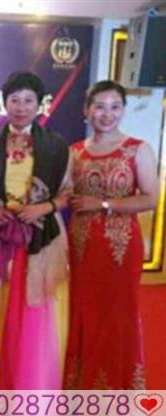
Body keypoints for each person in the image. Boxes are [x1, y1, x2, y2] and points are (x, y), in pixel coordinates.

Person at [0, 71, 71, 389]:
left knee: (35, 310)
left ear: (39, 105)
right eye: (14, 100)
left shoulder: (56, 146)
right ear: (5, 103)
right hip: (1, 236)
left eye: (28, 100)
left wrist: (43, 208)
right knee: (1, 307)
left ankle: (34, 381)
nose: (21, 107)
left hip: (41, 237)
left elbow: (67, 193)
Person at [64, 80, 158, 389]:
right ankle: (82, 386)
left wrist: (103, 204)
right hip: (81, 245)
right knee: (84, 312)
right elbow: (65, 193)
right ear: (87, 110)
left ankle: (118, 388)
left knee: (118, 315)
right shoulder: (75, 152)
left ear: (123, 110)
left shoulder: (138, 149)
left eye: (115, 107)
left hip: (121, 247)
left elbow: (150, 199)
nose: (107, 114)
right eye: (100, 107)